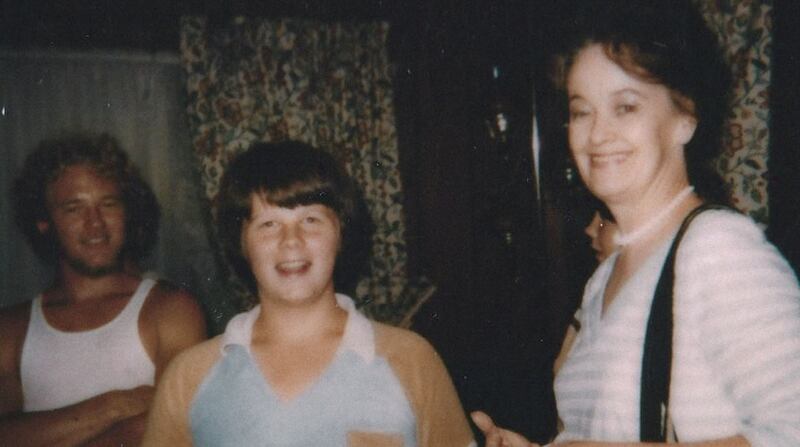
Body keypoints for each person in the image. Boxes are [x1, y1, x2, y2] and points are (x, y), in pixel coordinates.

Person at [473, 0, 800, 445]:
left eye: (625, 107)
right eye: (581, 111)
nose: (597, 134)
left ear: (685, 118)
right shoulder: (606, 276)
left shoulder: (716, 249)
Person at [142, 141, 475, 446]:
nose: (291, 240)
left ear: (341, 234)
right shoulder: (189, 377)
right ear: (241, 243)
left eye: (311, 220)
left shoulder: (411, 359)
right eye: (268, 224)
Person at [0, 132, 207, 446]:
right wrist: (115, 406)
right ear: (44, 221)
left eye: (108, 204)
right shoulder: (11, 329)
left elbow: (176, 427)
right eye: (74, 208)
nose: (95, 224)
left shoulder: (171, 310)